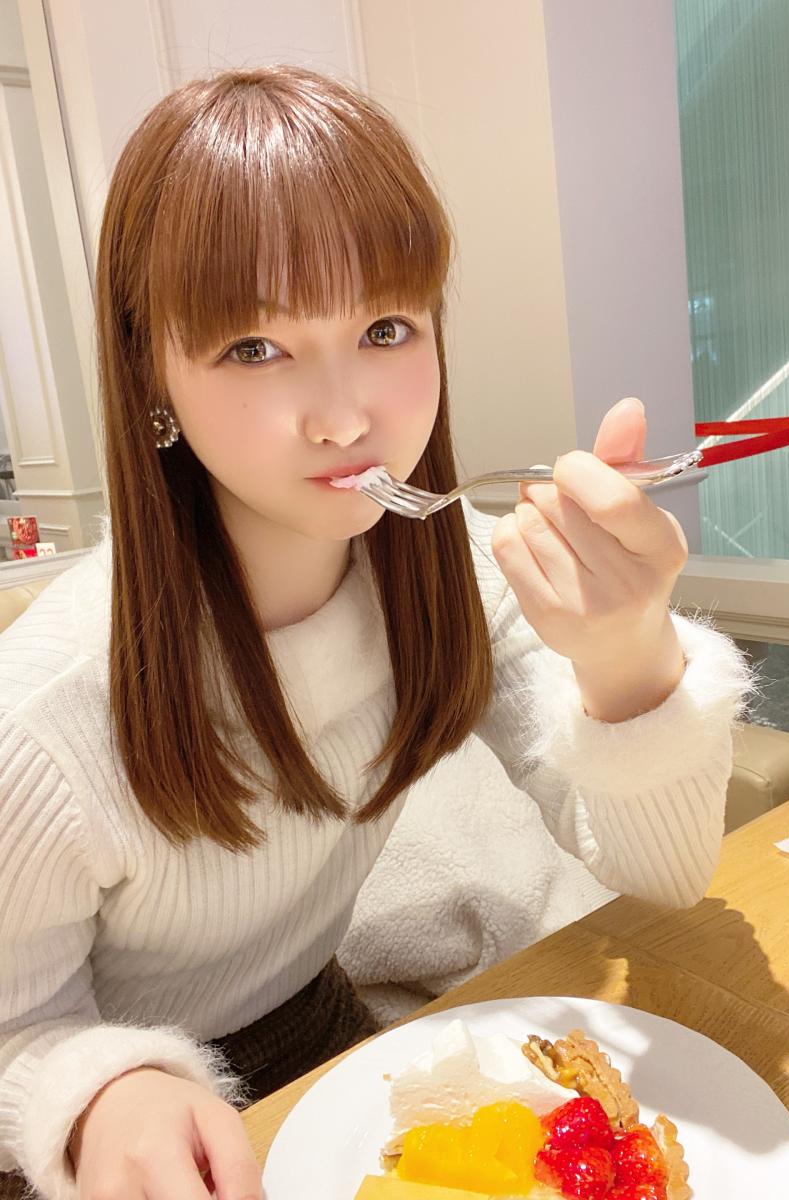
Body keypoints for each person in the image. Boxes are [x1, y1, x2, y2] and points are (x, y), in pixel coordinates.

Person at [0, 65, 750, 1200]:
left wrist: (630, 661)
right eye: (254, 349)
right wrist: (98, 1091)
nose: (347, 416)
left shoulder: (451, 576)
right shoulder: (48, 715)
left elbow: (663, 872)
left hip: (319, 1031)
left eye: (386, 328)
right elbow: (17, 1026)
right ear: (151, 372)